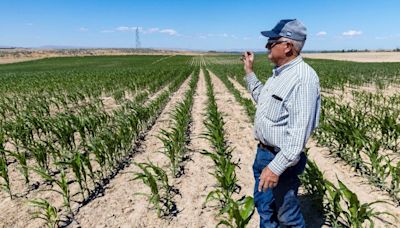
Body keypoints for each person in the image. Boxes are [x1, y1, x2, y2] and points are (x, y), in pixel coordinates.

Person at [242, 19, 321, 227]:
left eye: (271, 41)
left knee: (288, 217)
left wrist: (275, 168)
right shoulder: (279, 74)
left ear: (287, 46)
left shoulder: (303, 79)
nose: (267, 45)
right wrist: (249, 72)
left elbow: (298, 137)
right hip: (264, 154)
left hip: (281, 161)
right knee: (265, 208)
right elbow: (263, 100)